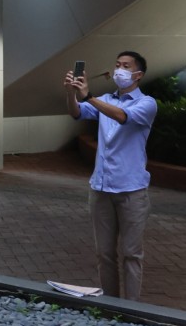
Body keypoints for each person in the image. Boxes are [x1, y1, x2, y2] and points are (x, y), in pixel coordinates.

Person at [65, 51, 156, 301]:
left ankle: (132, 308)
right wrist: (72, 92)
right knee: (104, 253)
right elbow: (76, 113)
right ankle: (111, 306)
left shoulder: (146, 103)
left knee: (131, 253)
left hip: (131, 191)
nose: (119, 70)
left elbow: (122, 116)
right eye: (117, 65)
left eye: (126, 66)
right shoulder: (105, 99)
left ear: (138, 75)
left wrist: (90, 97)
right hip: (101, 188)